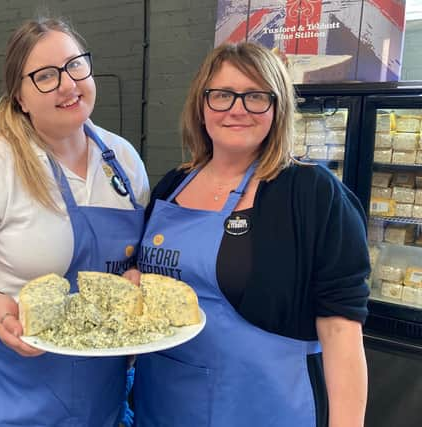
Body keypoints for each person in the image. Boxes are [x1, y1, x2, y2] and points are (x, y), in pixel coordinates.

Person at [0, 17, 149, 427]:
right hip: (16, 397)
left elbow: (135, 256)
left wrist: (134, 278)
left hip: (102, 394)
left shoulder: (123, 159)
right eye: (45, 76)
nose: (68, 84)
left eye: (76, 65)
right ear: (20, 97)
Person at [131, 42, 369, 427]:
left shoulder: (311, 194)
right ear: (201, 105)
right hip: (162, 403)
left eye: (255, 96)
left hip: (261, 406)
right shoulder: (172, 185)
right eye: (223, 95)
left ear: (277, 108)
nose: (237, 109)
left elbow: (341, 329)